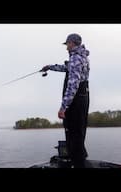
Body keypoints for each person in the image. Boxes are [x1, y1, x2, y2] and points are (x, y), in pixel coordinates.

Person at [41, 33, 90, 168]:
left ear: (72, 43)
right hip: (83, 98)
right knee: (79, 133)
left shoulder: (75, 59)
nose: (66, 47)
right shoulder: (82, 57)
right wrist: (50, 67)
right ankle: (80, 160)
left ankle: (78, 163)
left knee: (73, 134)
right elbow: (66, 68)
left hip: (75, 102)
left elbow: (72, 85)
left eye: (67, 44)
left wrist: (63, 107)